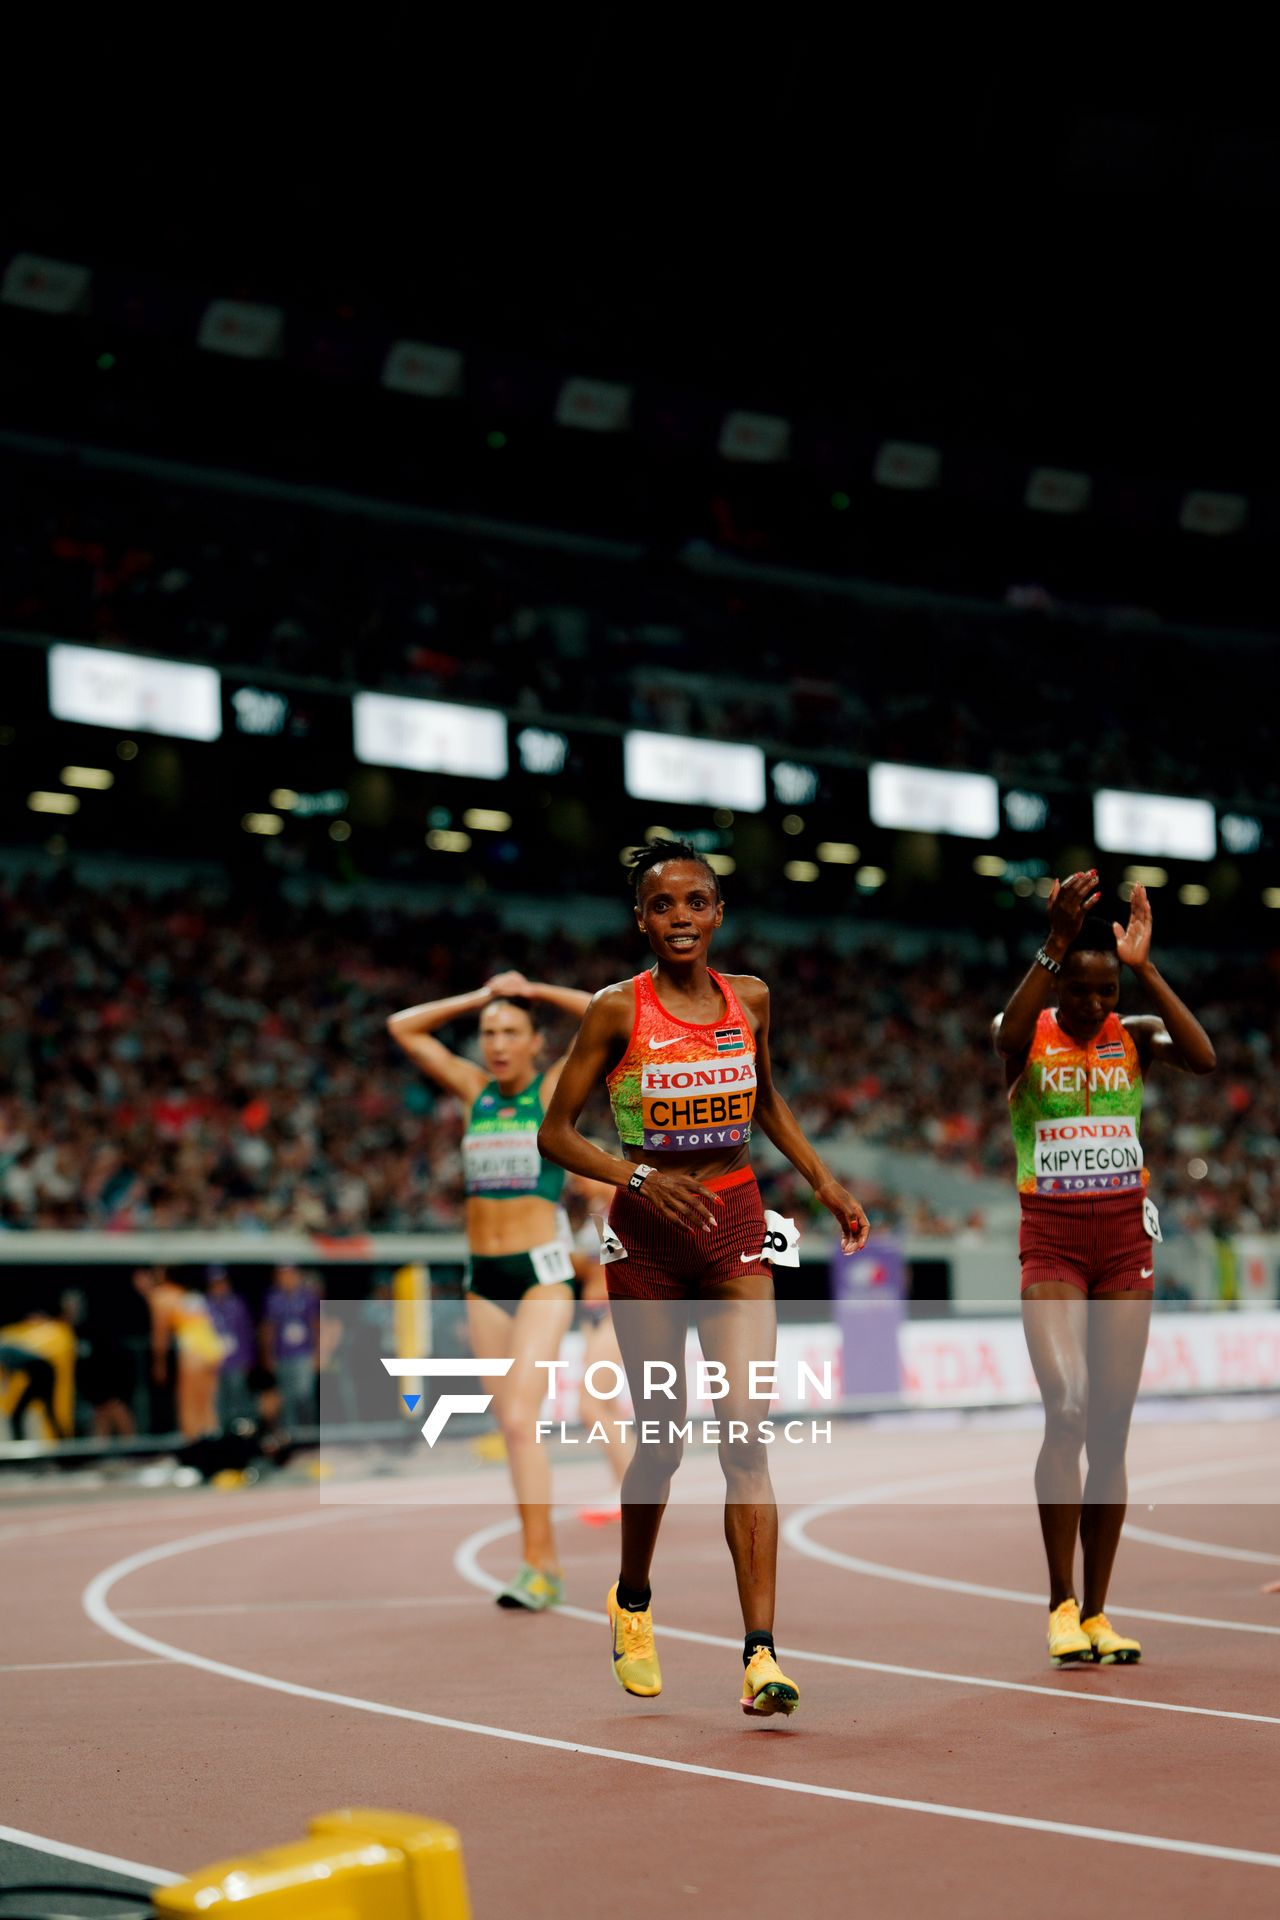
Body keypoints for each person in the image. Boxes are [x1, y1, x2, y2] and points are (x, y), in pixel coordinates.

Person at [538, 840, 870, 1717]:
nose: (680, 917)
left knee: (745, 1436)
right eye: (662, 906)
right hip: (646, 1234)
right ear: (639, 921)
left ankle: (761, 1652)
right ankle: (633, 1599)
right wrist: (639, 1177)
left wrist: (823, 1180)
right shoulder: (616, 1011)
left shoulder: (750, 999)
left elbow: (765, 1098)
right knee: (661, 1440)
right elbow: (557, 1135)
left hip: (733, 1226)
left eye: (696, 902)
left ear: (719, 913)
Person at [993, 872, 1216, 1667]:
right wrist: (1054, 945)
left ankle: (1097, 1612)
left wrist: (1146, 969)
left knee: (1113, 1432)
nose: (1094, 1007)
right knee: (1071, 1409)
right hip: (1051, 1238)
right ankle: (1057, 1602)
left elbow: (1205, 1056)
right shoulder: (1027, 1032)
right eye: (1082, 994)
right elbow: (1003, 1035)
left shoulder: (1136, 1035)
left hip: (1124, 1240)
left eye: (1107, 993)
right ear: (1061, 988)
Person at [387, 968, 591, 1609]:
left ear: (536, 1043)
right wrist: (479, 996)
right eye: (488, 1033)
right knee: (511, 1426)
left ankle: (540, 1564)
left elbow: (606, 1013)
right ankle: (540, 1562)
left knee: (517, 1417)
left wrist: (535, 990)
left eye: (511, 1032)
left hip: (541, 1276)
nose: (497, 1044)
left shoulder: (553, 1088)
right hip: (483, 1278)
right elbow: (403, 1027)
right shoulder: (475, 1090)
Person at [564, 1166, 635, 1521]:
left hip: (615, 1309)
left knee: (590, 1406)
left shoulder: (624, 1209)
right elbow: (585, 1269)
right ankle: (626, 1487)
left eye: (580, 1176)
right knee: (606, 1406)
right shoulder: (592, 1212)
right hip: (593, 1311)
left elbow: (619, 1261)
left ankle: (634, 1493)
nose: (575, 1185)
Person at [136, 1268, 222, 1441]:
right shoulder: (183, 1294)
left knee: (188, 1403)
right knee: (205, 1404)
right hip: (212, 1348)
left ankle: (194, 1445)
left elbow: (160, 1335)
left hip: (194, 1350)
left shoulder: (161, 1296)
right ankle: (211, 1441)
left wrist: (159, 1364)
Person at [261, 1266, 321, 1431]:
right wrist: (268, 1356)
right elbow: (268, 1329)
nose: (286, 1279)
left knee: (304, 1395)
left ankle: (309, 1433)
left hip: (304, 1354)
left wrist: (317, 1353)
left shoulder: (308, 1296)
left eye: (289, 1274)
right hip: (282, 1355)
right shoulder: (272, 1298)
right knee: (286, 1398)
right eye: (282, 1275)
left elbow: (315, 1324)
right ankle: (291, 1434)